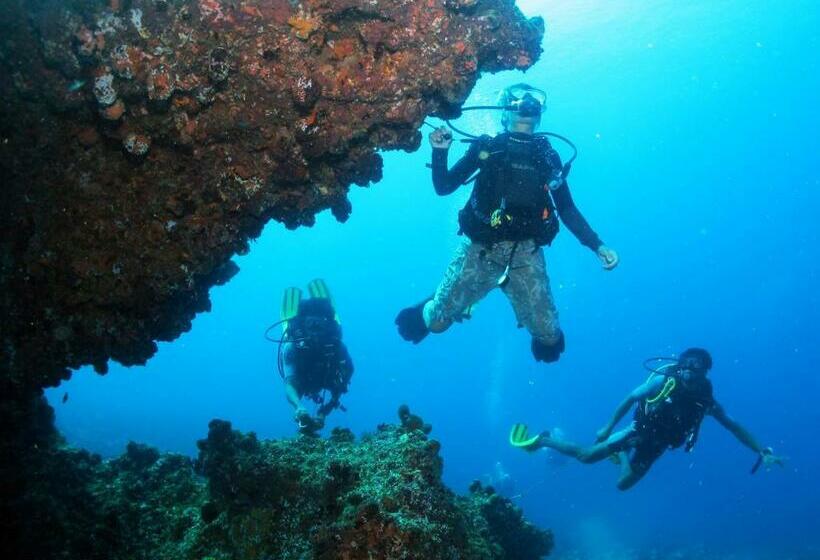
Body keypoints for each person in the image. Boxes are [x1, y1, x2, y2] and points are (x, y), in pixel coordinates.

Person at [395, 83, 618, 363]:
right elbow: (444, 187)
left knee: (550, 342)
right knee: (437, 324)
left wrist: (597, 245)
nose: (526, 104)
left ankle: (468, 293)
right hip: (480, 250)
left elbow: (567, 208)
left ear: (538, 114)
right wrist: (439, 151)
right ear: (505, 111)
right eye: (517, 99)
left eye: (533, 100)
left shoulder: (548, 157)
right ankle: (436, 301)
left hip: (527, 255)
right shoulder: (486, 147)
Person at [510, 348, 784, 490]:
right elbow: (631, 397)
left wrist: (761, 450)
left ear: (705, 373)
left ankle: (621, 456)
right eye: (685, 368)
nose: (688, 375)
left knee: (623, 485)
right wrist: (607, 427)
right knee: (586, 456)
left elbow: (734, 427)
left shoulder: (706, 401)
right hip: (636, 429)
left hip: (659, 445)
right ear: (679, 366)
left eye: (695, 370)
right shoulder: (665, 382)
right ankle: (545, 439)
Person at [276, 279, 353, 434]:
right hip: (304, 379)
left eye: (319, 324)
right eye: (311, 324)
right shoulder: (292, 347)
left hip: (322, 377)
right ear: (303, 325)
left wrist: (323, 413)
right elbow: (289, 383)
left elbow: (341, 385)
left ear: (327, 325)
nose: (315, 330)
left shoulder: (336, 347)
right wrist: (298, 407)